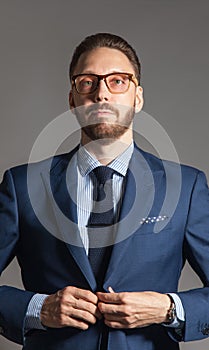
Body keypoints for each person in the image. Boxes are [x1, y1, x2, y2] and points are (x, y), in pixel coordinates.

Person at [0, 33, 209, 350]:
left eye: (118, 81)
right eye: (87, 82)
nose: (101, 94)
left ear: (137, 97)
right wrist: (37, 308)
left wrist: (169, 308)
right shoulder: (22, 186)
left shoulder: (187, 187)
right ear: (72, 98)